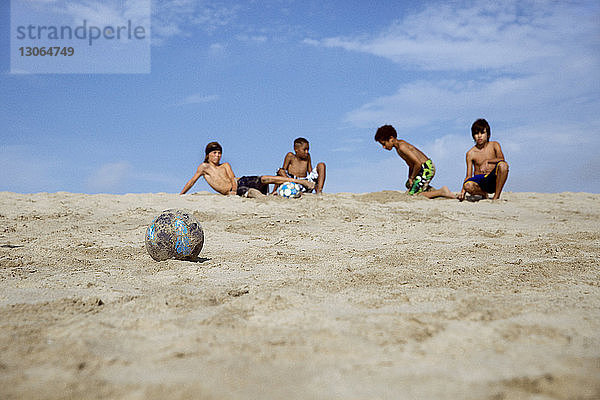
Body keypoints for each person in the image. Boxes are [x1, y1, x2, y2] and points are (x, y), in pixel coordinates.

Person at [180, 142, 315, 197]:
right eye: (214, 153)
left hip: (239, 183)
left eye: (219, 153)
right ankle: (272, 197)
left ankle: (301, 182)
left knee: (265, 178)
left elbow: (233, 178)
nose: (217, 156)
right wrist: (181, 195)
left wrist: (233, 189)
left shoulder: (225, 165)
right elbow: (192, 181)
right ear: (208, 154)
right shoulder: (204, 167)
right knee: (254, 194)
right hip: (236, 190)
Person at [374, 125, 455, 199]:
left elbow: (418, 163)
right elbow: (411, 165)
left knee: (413, 195)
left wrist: (412, 177)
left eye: (384, 144)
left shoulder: (402, 147)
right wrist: (410, 178)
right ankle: (428, 190)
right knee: (408, 184)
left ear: (391, 138)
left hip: (426, 168)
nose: (384, 147)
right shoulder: (398, 149)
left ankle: (442, 191)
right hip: (421, 169)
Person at [458, 119, 509, 201]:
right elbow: (468, 175)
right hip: (480, 182)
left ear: (488, 134)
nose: (479, 136)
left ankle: (496, 197)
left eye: (482, 133)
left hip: (493, 180)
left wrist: (488, 161)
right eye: (476, 133)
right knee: (467, 186)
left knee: (503, 166)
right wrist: (463, 192)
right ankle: (483, 193)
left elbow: (502, 159)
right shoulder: (470, 153)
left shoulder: (494, 145)